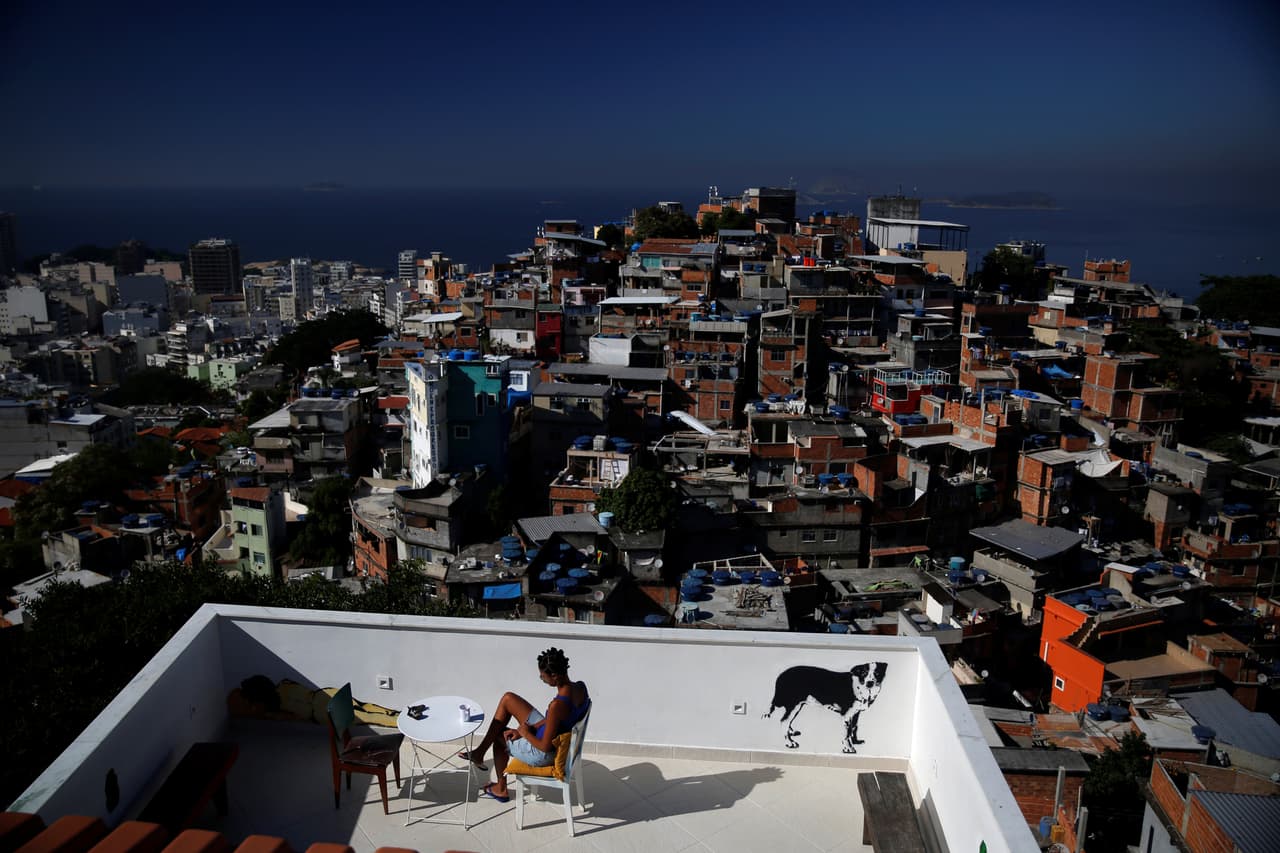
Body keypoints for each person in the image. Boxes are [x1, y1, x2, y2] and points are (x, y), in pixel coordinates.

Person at [460, 646, 590, 802]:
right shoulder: (580, 687)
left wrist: (525, 733)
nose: (542, 679)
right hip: (551, 733)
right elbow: (555, 719)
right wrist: (532, 727)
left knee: (499, 736)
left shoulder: (558, 705)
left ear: (554, 676)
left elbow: (545, 747)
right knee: (508, 699)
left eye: (542, 677)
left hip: (543, 753)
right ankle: (480, 753)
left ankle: (501, 789)